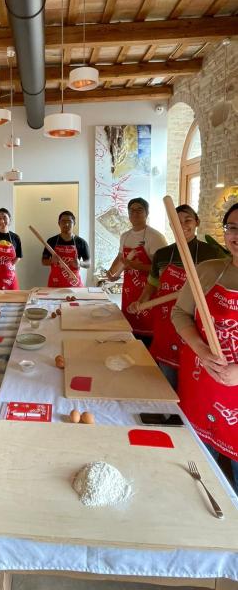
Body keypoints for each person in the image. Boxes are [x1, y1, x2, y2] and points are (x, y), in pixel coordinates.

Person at [172, 203, 238, 494]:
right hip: (200, 386)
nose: (237, 234)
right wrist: (199, 347)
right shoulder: (208, 271)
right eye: (232, 227)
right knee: (195, 472)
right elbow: (180, 314)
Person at [128, 204, 219, 389]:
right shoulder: (163, 254)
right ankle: (166, 414)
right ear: (171, 225)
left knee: (191, 377)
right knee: (165, 377)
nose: (183, 225)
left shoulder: (211, 254)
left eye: (188, 220)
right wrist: (142, 301)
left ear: (197, 222)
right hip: (165, 323)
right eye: (177, 221)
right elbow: (152, 284)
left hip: (195, 327)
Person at [107, 197, 167, 340]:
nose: (135, 213)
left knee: (146, 329)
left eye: (139, 209)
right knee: (129, 325)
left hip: (148, 290)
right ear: (128, 214)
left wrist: (136, 266)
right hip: (129, 290)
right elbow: (120, 256)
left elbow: (163, 269)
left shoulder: (155, 237)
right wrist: (110, 272)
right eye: (131, 210)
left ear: (147, 213)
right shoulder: (125, 236)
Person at [42, 211, 90, 288]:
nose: (66, 224)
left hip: (74, 284)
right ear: (59, 223)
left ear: (74, 223)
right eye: (63, 221)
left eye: (69, 222)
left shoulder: (81, 242)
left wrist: (79, 263)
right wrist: (51, 261)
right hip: (55, 284)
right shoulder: (51, 241)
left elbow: (88, 264)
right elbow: (43, 261)